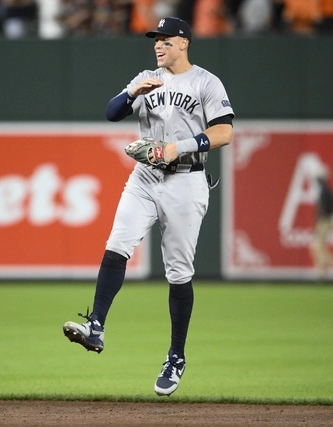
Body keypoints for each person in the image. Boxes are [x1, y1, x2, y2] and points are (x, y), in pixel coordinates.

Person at [63, 17, 234, 397]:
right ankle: (96, 327)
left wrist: (179, 147)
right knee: (117, 244)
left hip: (186, 180)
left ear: (184, 43)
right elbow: (111, 113)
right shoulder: (146, 77)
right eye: (155, 40)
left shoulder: (206, 82)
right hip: (145, 176)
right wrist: (131, 93)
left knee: (178, 273)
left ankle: (176, 355)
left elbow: (224, 132)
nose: (158, 46)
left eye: (166, 40)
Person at [310, 166, 333, 281]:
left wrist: (320, 222)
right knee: (319, 247)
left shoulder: (324, 190)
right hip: (327, 220)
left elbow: (325, 210)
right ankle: (322, 273)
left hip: (325, 221)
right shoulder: (326, 189)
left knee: (316, 247)